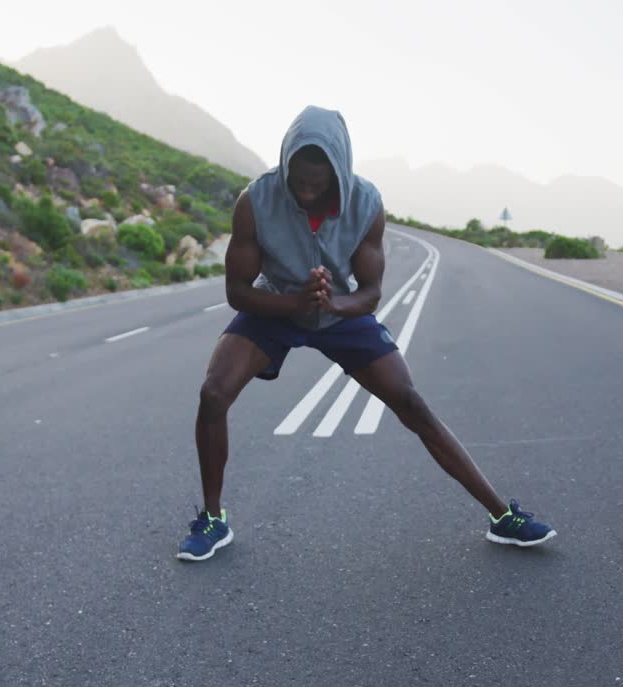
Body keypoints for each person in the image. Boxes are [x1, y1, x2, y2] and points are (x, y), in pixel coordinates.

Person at [177, 106, 555, 561]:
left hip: (340, 313)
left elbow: (371, 292)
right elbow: (237, 292)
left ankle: (502, 516)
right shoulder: (254, 201)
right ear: (285, 165)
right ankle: (214, 520)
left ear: (339, 172)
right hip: (276, 303)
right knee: (213, 394)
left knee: (412, 403)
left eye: (319, 184)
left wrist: (332, 305)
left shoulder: (367, 204)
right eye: (298, 181)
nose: (307, 191)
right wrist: (296, 303)